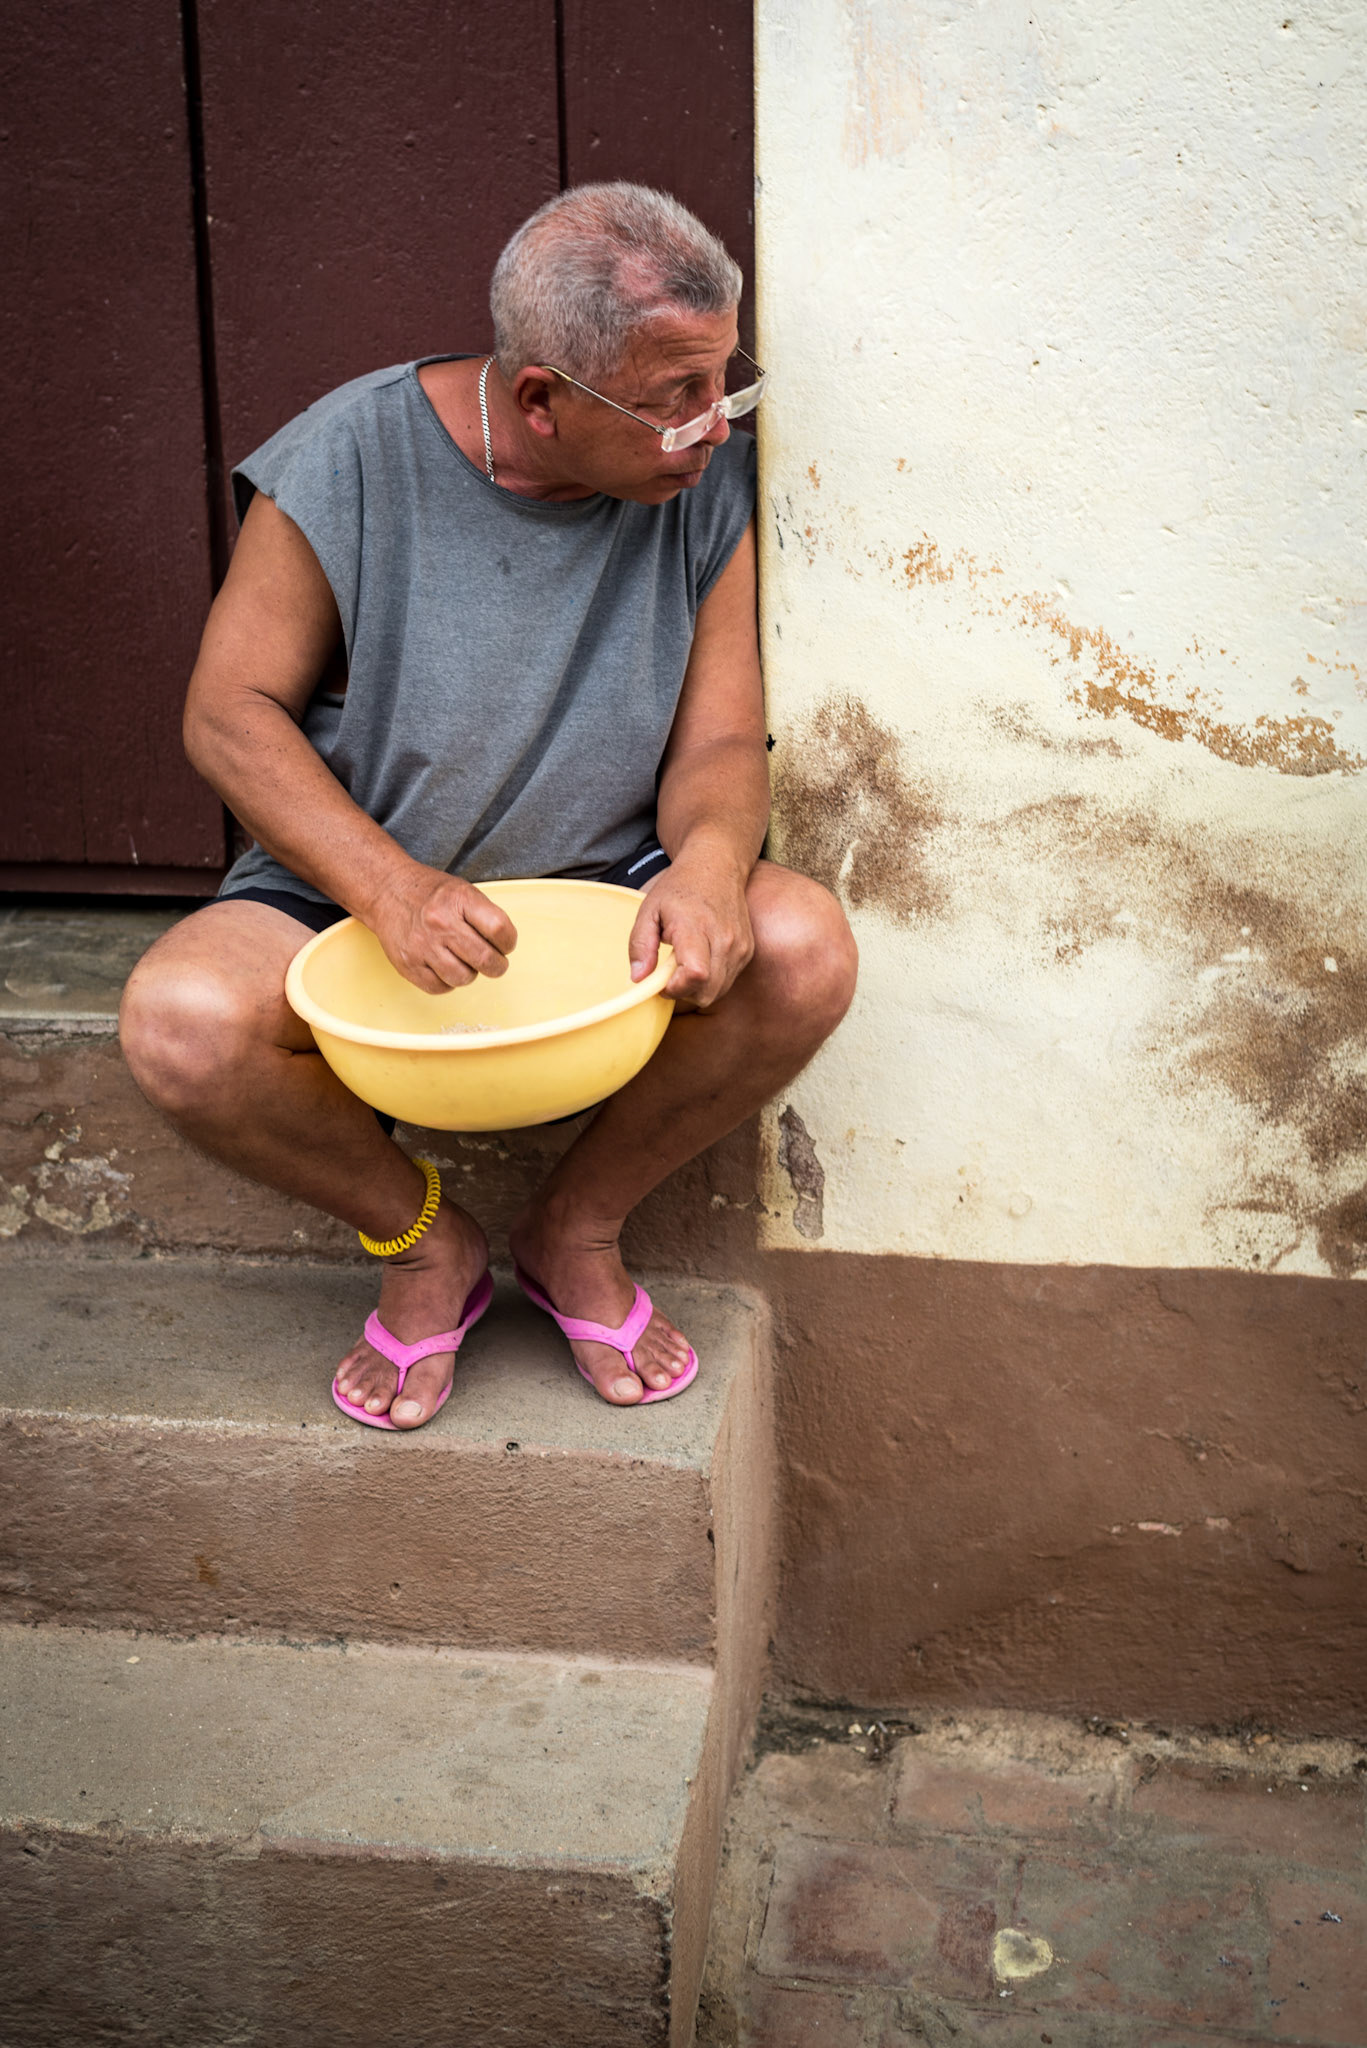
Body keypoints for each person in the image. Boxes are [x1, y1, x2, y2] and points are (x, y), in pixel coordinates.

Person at [120, 182, 857, 1425]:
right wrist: (386, 887)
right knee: (182, 1025)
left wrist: (709, 864)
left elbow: (724, 736)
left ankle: (576, 1228)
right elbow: (227, 712)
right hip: (356, 892)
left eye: (723, 381)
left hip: (607, 889)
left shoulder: (701, 483)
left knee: (801, 949)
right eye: (674, 396)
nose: (711, 426)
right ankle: (423, 1245)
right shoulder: (348, 457)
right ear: (539, 400)